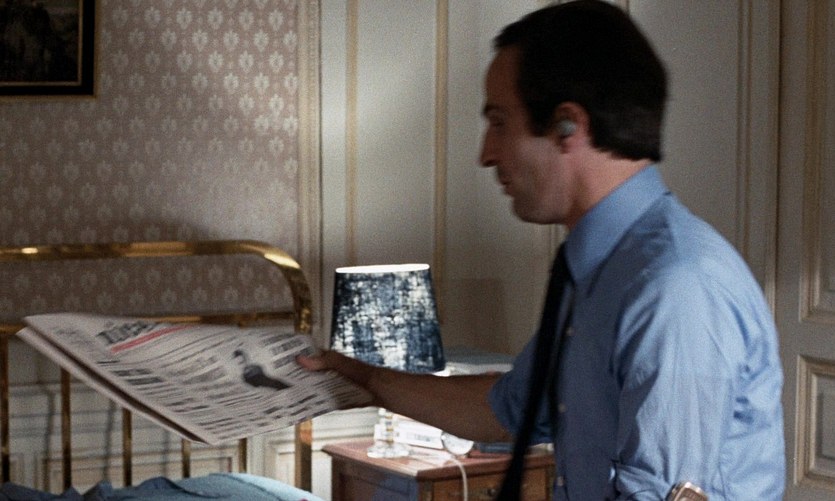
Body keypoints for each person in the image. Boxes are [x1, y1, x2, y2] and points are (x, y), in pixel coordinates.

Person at [299, 1, 785, 499]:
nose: (486, 153)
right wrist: (360, 377)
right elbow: (506, 408)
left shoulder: (674, 287)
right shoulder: (598, 269)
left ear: (568, 126)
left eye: (499, 122)